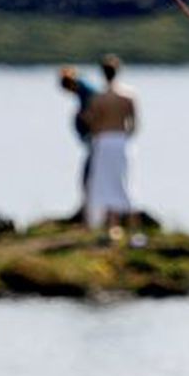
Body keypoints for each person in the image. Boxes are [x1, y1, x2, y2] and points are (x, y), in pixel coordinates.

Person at [83, 55, 141, 242]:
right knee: (122, 182)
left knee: (104, 184)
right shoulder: (128, 96)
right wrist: (125, 137)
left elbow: (91, 123)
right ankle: (130, 229)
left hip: (103, 141)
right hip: (121, 141)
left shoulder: (98, 98)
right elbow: (134, 124)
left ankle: (113, 228)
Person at [58, 65, 98, 219]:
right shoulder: (84, 91)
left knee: (89, 177)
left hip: (95, 141)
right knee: (89, 177)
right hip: (92, 140)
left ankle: (89, 212)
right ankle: (88, 210)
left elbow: (94, 113)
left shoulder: (87, 91)